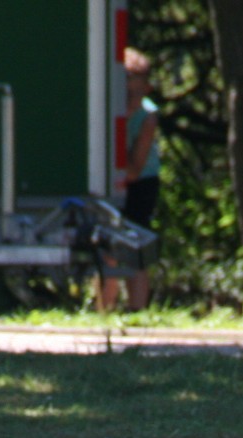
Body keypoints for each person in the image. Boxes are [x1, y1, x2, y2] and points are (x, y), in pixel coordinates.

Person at [97, 48, 161, 313]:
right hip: (107, 180)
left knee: (136, 244)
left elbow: (134, 169)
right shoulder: (102, 111)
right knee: (106, 246)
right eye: (123, 94)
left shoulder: (148, 117)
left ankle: (138, 310)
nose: (129, 100)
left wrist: (118, 131)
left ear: (146, 89)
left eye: (134, 93)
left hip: (140, 183)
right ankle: (104, 310)